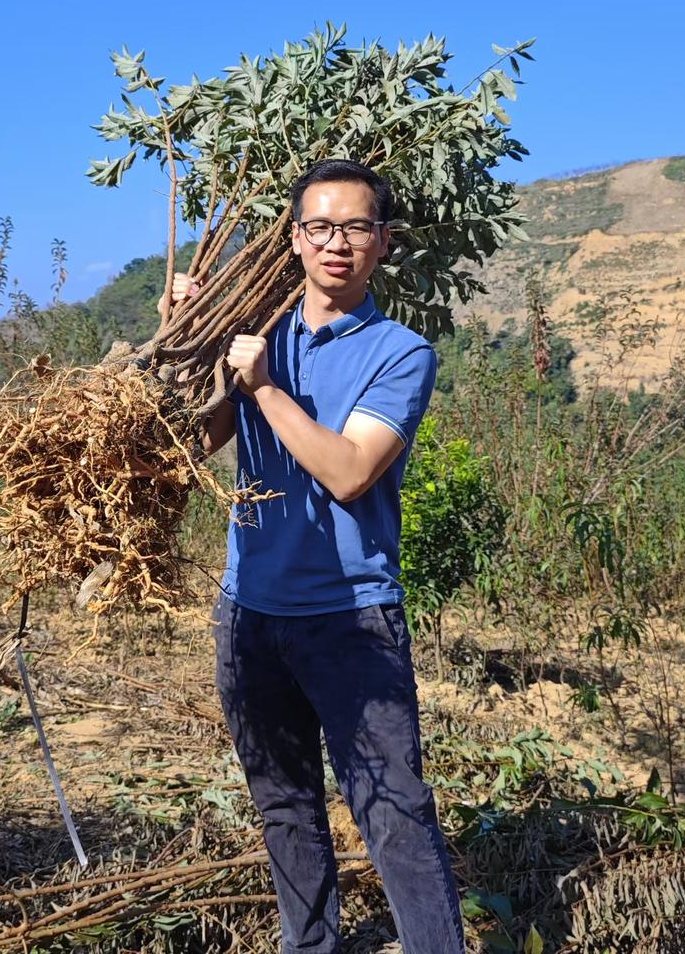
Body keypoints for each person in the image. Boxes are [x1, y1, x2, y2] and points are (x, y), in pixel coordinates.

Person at [169, 158, 464, 953]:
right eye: (320, 227)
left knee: (394, 811)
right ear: (295, 239)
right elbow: (197, 441)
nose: (338, 243)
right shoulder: (256, 335)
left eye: (356, 227)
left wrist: (265, 388)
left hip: (352, 620)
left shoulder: (400, 353)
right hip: (250, 613)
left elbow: (348, 471)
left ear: (383, 243)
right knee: (284, 805)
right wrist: (195, 350)